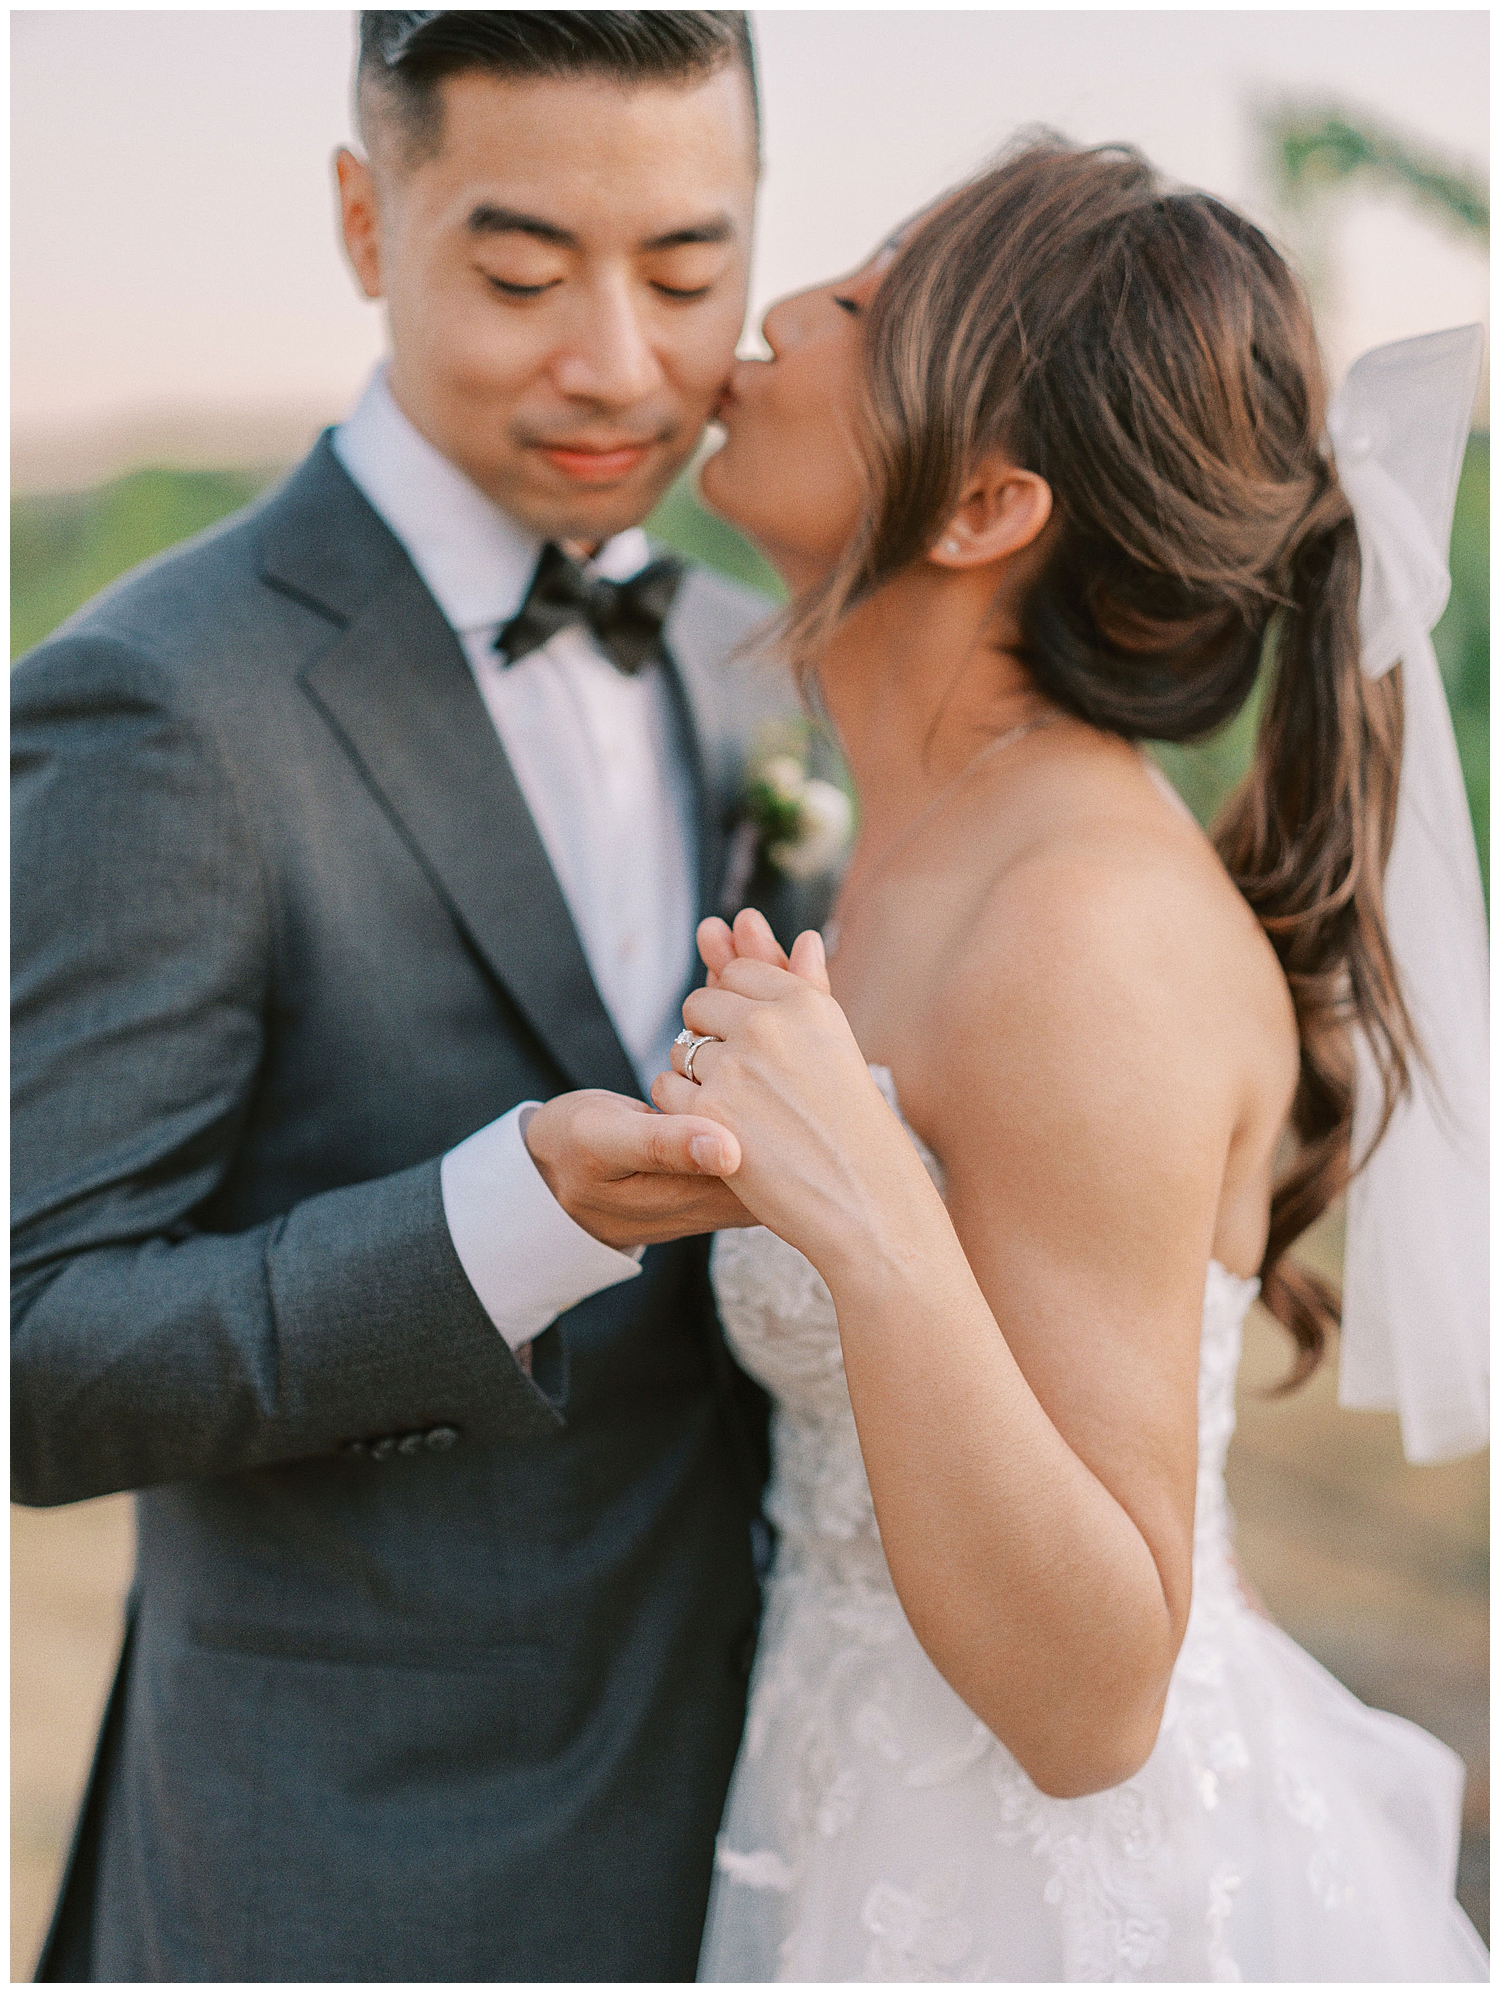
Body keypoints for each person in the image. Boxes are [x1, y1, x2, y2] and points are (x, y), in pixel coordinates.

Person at [11, 12, 828, 1982]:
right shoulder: (162, 699)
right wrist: (506, 1223)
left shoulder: (753, 656)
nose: (620, 362)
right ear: (368, 220)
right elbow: (34, 1354)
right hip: (348, 1869)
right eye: (525, 270)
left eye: (689, 270)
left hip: (771, 1834)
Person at [641, 140, 1488, 1980]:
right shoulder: (922, 839)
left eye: (859, 306)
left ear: (980, 508)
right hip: (853, 1814)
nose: (775, 315)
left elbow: (1102, 1692)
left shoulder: (1080, 931)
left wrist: (864, 1213)